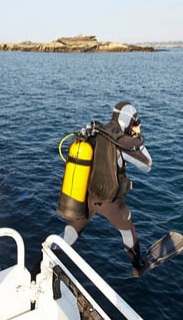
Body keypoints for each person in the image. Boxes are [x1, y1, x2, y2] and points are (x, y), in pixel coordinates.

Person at [61, 101, 153, 277]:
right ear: (128, 121)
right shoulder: (122, 141)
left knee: (71, 231)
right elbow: (148, 165)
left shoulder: (94, 130)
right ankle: (137, 266)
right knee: (128, 230)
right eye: (135, 121)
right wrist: (137, 140)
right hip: (111, 202)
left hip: (87, 195)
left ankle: (43, 261)